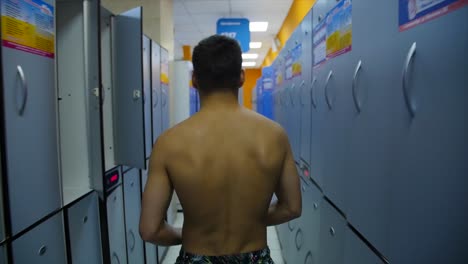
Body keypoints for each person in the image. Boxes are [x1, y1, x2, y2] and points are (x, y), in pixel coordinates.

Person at [139, 35, 302, 264]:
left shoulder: (168, 143)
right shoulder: (274, 136)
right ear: (242, 77)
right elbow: (292, 207)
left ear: (194, 80)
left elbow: (150, 229)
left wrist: (189, 234)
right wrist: (249, 220)